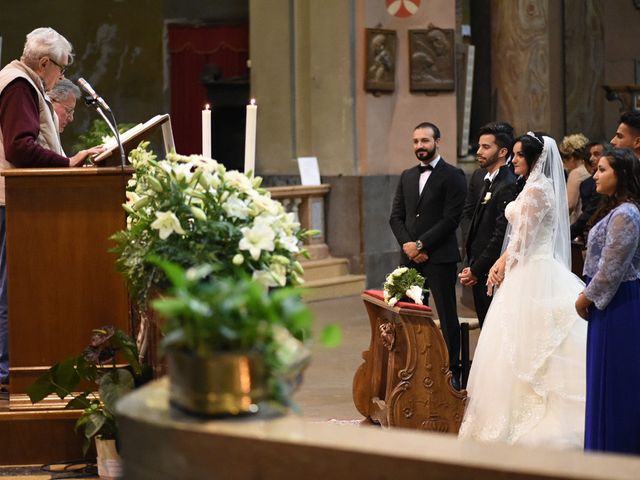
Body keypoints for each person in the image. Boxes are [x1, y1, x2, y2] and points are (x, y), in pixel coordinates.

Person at [459, 133, 588, 448]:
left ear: (533, 158)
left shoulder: (538, 190)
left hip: (535, 270)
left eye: (518, 155)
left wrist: (501, 265)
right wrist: (503, 261)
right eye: (513, 154)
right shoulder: (531, 187)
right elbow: (518, 237)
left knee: (535, 344)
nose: (514, 159)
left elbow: (523, 241)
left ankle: (541, 424)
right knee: (513, 343)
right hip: (526, 266)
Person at [0, 28, 104, 391]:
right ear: (44, 63)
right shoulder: (19, 86)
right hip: (10, 200)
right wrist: (68, 163)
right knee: (9, 291)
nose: (61, 77)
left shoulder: (21, 81)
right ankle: (5, 373)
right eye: (60, 69)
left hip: (15, 199)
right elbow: (19, 148)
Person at [389, 122, 467, 388]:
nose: (419, 146)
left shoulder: (453, 175)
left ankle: (451, 372)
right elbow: (396, 217)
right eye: (415, 141)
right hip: (409, 258)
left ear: (437, 141)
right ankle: (411, 367)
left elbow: (450, 219)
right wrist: (409, 246)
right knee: (408, 314)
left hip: (440, 258)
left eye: (425, 140)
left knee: (446, 315)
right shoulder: (407, 176)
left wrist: (421, 245)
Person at [574, 148, 640, 454]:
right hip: (607, 301)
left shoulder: (627, 213)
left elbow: (613, 268)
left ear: (621, 174)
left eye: (602, 170)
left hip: (619, 302)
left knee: (615, 381)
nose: (595, 175)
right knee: (602, 378)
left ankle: (616, 450)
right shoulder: (614, 209)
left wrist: (583, 300)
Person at [459, 122, 517, 326]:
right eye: (479, 146)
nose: (479, 151)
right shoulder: (477, 176)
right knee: (484, 321)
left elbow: (501, 232)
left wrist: (477, 268)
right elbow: (467, 214)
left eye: (486, 147)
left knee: (495, 324)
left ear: (502, 151)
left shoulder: (509, 183)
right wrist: (471, 255)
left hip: (494, 266)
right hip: (476, 260)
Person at [569, 141, 604, 241]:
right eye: (590, 155)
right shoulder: (587, 183)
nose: (591, 159)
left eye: (596, 154)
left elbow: (571, 205)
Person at [560, 133, 591, 223]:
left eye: (565, 160)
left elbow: (570, 205)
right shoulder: (590, 170)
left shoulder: (576, 173)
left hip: (579, 220)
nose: (564, 164)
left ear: (572, 158)